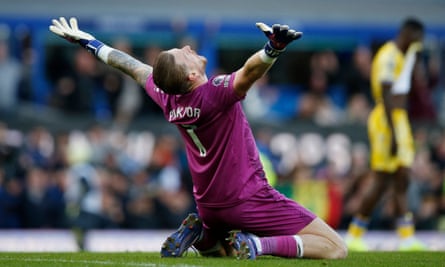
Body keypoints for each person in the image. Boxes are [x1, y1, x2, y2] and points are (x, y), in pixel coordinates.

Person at [49, 17, 347, 260]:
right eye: (185, 54)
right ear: (191, 75)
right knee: (334, 247)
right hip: (248, 197)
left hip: (209, 206)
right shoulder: (214, 93)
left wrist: (89, 42)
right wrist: (274, 48)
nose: (189, 47)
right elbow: (250, 72)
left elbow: (129, 65)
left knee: (223, 253)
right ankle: (259, 245)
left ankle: (204, 238)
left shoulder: (167, 96)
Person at [344, 17, 427, 251]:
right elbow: (387, 93)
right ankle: (355, 233)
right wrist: (392, 131)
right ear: (407, 33)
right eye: (417, 37)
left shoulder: (403, 56)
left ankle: (406, 237)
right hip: (386, 120)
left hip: (398, 119)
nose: (419, 42)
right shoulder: (388, 55)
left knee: (402, 177)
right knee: (382, 180)